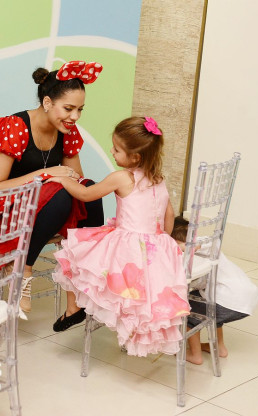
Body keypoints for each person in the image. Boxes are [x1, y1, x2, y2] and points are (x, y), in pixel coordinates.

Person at [51, 116, 190, 356]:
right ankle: (125, 325)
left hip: (128, 246)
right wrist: (161, 243)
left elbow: (86, 194)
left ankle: (74, 307)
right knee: (124, 284)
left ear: (134, 157)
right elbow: (169, 214)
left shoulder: (122, 177)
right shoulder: (159, 179)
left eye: (116, 149)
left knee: (74, 256)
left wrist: (63, 179)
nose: (111, 152)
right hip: (155, 246)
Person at [0, 60, 105, 323]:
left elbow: (76, 179)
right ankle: (22, 268)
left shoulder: (67, 131)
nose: (75, 117)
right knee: (61, 192)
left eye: (80, 110)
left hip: (41, 206)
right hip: (4, 206)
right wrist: (46, 174)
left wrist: (63, 179)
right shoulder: (15, 125)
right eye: (68, 109)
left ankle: (84, 273)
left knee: (89, 190)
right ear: (47, 102)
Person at [171, 216, 258, 365]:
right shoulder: (196, 250)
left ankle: (195, 355)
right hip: (245, 298)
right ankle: (219, 347)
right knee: (208, 306)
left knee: (186, 309)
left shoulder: (203, 245)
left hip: (230, 300)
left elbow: (212, 242)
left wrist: (187, 247)